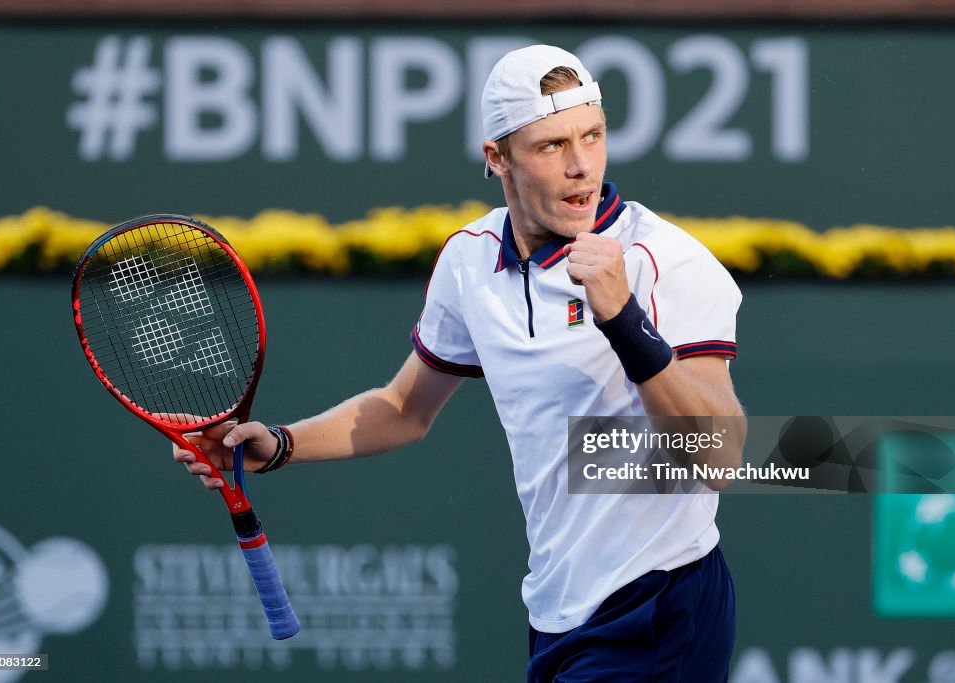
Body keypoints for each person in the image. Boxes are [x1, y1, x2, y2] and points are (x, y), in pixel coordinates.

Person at [174, 44, 746, 682]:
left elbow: (717, 459)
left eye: (593, 135)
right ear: (497, 157)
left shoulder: (665, 260)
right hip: (558, 611)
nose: (581, 166)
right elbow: (402, 409)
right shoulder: (469, 261)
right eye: (551, 145)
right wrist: (279, 444)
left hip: (662, 602)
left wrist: (623, 319)